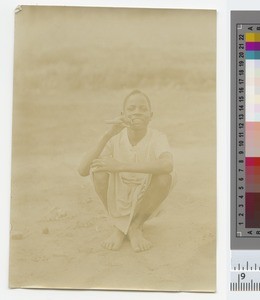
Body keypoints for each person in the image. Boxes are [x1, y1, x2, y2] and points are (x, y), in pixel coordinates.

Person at [78, 90, 174, 252]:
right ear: (122, 114)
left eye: (143, 109)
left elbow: (167, 165)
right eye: (131, 108)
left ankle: (135, 226)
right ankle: (120, 225)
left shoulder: (157, 137)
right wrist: (108, 134)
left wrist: (120, 166)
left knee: (164, 177)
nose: (137, 112)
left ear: (151, 115)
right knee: (99, 171)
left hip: (145, 196)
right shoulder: (115, 137)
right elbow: (82, 170)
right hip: (118, 196)